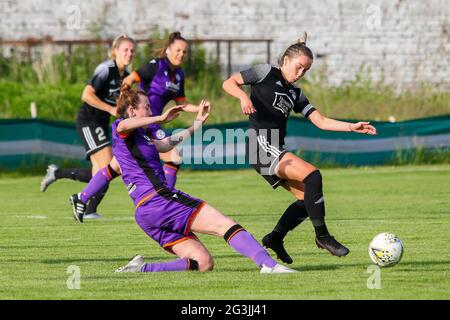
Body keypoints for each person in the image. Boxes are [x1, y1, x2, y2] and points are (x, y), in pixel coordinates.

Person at [222, 32, 377, 264]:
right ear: (285, 60)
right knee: (312, 175)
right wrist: (243, 97)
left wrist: (352, 127)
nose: (301, 73)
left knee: (308, 200)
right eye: (298, 67)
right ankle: (323, 237)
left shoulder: (296, 93)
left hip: (273, 147)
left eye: (306, 70)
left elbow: (321, 121)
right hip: (261, 145)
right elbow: (228, 82)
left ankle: (275, 238)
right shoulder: (265, 72)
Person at [109, 87, 295, 274]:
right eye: (146, 107)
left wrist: (195, 125)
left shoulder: (142, 136)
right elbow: (123, 126)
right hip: (159, 200)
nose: (151, 111)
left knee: (203, 263)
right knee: (224, 224)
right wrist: (161, 119)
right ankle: (268, 265)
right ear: (133, 111)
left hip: (147, 213)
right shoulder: (121, 127)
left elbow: (164, 145)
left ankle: (141, 269)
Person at [69, 31, 199, 222]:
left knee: (115, 166)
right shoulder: (156, 65)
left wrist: (199, 109)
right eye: (178, 50)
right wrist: (124, 109)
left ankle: (81, 197)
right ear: (169, 49)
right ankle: (168, 200)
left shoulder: (178, 74)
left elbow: (182, 102)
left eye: (185, 52)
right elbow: (129, 82)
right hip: (143, 120)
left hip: (151, 122)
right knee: (173, 157)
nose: (181, 54)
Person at [40, 34, 136, 219]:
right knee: (109, 168)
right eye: (125, 49)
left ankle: (57, 173)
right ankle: (88, 209)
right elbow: (86, 94)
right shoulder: (106, 69)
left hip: (100, 123)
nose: (129, 53)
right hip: (89, 121)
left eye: (132, 50)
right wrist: (110, 109)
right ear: (115, 51)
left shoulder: (125, 76)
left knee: (101, 173)